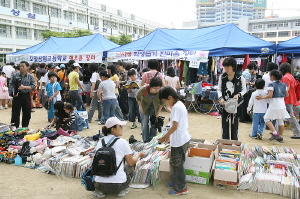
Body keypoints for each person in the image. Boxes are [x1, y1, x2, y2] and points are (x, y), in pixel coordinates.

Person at [93, 117, 145, 198]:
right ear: (113, 129)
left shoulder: (100, 141)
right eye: (120, 126)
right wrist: (139, 155)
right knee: (131, 164)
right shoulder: (122, 142)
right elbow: (131, 162)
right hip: (118, 186)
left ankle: (99, 192)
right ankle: (124, 189)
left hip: (99, 185)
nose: (122, 128)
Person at [158, 86, 191, 196]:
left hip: (179, 140)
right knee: (175, 163)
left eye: (165, 101)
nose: (165, 103)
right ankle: (175, 182)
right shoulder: (179, 104)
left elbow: (174, 126)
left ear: (170, 97)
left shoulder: (176, 107)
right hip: (181, 138)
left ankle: (181, 188)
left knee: (177, 164)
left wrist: (164, 137)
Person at [256, 70, 290, 143]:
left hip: (274, 104)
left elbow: (270, 95)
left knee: (266, 118)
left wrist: (262, 97)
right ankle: (280, 136)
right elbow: (287, 95)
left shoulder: (271, 85)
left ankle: (275, 133)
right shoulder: (284, 85)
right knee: (280, 121)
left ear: (273, 76)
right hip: (282, 104)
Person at [217, 57, 247, 140]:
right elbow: (219, 89)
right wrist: (220, 98)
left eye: (228, 67)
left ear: (233, 67)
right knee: (224, 125)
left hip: (235, 105)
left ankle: (234, 143)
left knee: (234, 125)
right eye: (225, 67)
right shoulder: (222, 77)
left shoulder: (240, 77)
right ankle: (225, 142)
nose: (226, 69)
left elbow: (244, 90)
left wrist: (239, 94)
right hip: (225, 103)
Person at [136, 77, 164, 142]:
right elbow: (138, 97)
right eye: (155, 88)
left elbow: (162, 102)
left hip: (154, 107)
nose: (157, 90)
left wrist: (158, 112)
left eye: (158, 88)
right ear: (151, 86)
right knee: (144, 123)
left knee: (154, 122)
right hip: (144, 107)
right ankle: (146, 140)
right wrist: (141, 107)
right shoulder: (144, 89)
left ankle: (152, 139)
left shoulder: (160, 91)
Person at [9, 61, 35, 129]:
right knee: (15, 113)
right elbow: (11, 84)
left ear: (27, 67)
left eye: (23, 66)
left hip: (26, 95)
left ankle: (24, 128)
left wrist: (24, 87)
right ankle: (15, 128)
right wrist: (13, 92)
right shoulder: (15, 75)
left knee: (27, 113)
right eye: (20, 66)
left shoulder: (30, 76)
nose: (21, 68)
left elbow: (33, 86)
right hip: (17, 96)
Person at [279, 63, 300, 139]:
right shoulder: (290, 76)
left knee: (290, 115)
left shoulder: (285, 77)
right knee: (289, 115)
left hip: (287, 98)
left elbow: (286, 89)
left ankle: (297, 132)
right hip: (291, 97)